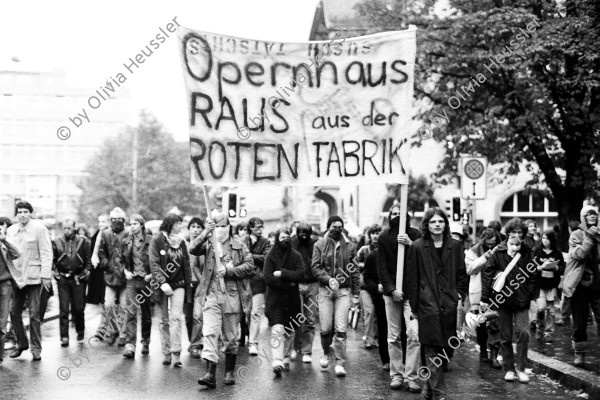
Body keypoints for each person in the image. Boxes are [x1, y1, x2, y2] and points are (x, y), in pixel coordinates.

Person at [406, 207, 468, 399]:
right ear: (426, 225)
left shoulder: (455, 245)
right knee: (432, 346)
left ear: (445, 224)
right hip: (427, 304)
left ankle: (428, 385)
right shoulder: (417, 247)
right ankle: (440, 393)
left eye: (440, 221)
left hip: (449, 304)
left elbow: (461, 273)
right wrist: (414, 309)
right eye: (433, 222)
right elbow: (412, 280)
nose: (437, 225)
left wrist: (458, 295)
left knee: (447, 348)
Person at [192, 211, 255, 388]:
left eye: (222, 226)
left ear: (229, 227)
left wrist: (229, 271)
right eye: (216, 226)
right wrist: (206, 231)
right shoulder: (208, 244)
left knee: (231, 337)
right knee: (210, 332)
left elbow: (250, 267)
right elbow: (192, 248)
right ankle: (210, 373)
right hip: (211, 294)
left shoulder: (239, 246)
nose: (219, 230)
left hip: (232, 295)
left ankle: (229, 371)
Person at [377, 204, 422, 392]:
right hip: (392, 294)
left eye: (400, 213)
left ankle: (411, 376)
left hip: (412, 293)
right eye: (394, 213)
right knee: (393, 336)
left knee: (414, 334)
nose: (397, 216)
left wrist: (411, 244)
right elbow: (382, 267)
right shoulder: (384, 237)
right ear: (389, 216)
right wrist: (391, 289)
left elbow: (423, 259)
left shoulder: (417, 235)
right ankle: (396, 374)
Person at [481, 230, 536, 384]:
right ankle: (509, 369)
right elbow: (487, 273)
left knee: (523, 333)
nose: (515, 246)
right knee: (505, 336)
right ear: (507, 238)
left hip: (522, 301)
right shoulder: (498, 253)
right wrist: (485, 298)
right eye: (512, 242)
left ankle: (522, 367)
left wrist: (529, 294)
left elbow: (532, 276)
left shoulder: (527, 254)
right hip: (503, 301)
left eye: (518, 242)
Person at [311, 215, 360, 378]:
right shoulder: (320, 244)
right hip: (325, 290)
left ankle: (340, 362)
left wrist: (356, 294)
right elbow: (315, 268)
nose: (337, 229)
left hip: (343, 292)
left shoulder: (350, 246)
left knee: (341, 328)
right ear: (328, 227)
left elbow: (354, 271)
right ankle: (325, 352)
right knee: (325, 328)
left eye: (340, 226)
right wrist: (328, 279)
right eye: (334, 226)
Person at [7, 201, 52, 361]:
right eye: (20, 212)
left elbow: (47, 252)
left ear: (30, 213)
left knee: (34, 314)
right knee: (13, 312)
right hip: (17, 277)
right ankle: (22, 343)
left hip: (34, 277)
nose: (23, 215)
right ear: (17, 214)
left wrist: (46, 275)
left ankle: (36, 349)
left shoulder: (39, 229)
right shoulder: (11, 231)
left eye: (26, 211)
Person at [149, 213, 192, 367]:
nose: (181, 226)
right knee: (163, 321)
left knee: (176, 318)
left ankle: (176, 353)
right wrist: (162, 283)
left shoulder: (182, 242)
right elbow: (154, 264)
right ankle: (166, 352)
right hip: (161, 286)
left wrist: (188, 283)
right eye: (178, 223)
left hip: (179, 283)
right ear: (171, 224)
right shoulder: (157, 240)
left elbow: (186, 264)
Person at [264, 228, 305, 377]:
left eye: (287, 237)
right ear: (277, 238)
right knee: (277, 329)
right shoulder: (270, 256)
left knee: (290, 330)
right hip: (275, 300)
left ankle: (286, 357)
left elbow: (301, 274)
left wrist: (282, 273)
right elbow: (268, 277)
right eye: (282, 237)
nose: (285, 240)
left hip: (292, 299)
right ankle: (277, 361)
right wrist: (289, 283)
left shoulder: (296, 256)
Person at [562, 205, 600, 367]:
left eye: (594, 214)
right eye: (588, 214)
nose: (592, 216)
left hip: (598, 282)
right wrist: (589, 238)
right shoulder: (576, 235)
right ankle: (579, 353)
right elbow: (579, 254)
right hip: (580, 284)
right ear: (583, 217)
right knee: (580, 322)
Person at [465, 227, 502, 368]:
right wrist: (485, 257)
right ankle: (482, 351)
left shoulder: (501, 249)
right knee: (480, 323)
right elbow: (469, 269)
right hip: (479, 290)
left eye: (493, 243)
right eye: (488, 244)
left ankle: (494, 354)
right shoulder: (474, 250)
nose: (491, 246)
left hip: (496, 290)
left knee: (494, 322)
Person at [52, 219, 91, 347]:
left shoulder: (83, 241)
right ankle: (64, 336)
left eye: (69, 228)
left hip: (77, 278)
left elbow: (87, 260)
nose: (67, 231)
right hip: (63, 278)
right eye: (65, 228)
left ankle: (80, 331)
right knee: (63, 309)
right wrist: (56, 273)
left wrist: (85, 273)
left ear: (74, 228)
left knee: (79, 308)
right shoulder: (57, 241)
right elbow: (52, 259)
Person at [95, 207, 130, 345]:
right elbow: (101, 251)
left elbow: (130, 253)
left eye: (119, 219)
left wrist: (125, 268)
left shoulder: (128, 233)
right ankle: (111, 330)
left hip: (124, 277)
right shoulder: (105, 233)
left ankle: (123, 333)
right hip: (110, 276)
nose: (116, 222)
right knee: (108, 305)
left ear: (123, 220)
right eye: (113, 219)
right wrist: (106, 264)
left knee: (124, 306)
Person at [122, 214, 154, 359]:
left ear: (141, 225)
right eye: (130, 224)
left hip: (147, 281)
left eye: (135, 223)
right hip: (133, 281)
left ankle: (145, 341)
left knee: (146, 314)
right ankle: (130, 345)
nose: (132, 226)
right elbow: (121, 260)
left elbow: (158, 260)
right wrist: (126, 271)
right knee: (131, 312)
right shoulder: (126, 241)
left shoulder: (151, 241)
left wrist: (152, 274)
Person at [290, 223, 318, 364]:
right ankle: (296, 347)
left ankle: (307, 350)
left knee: (310, 319)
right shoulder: (292, 243)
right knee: (297, 317)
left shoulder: (315, 244)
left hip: (313, 283)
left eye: (306, 233)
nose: (303, 236)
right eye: (301, 233)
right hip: (297, 283)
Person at [244, 217, 272, 356]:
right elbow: (238, 257)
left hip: (258, 281)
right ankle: (245, 336)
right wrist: (256, 256)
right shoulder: (242, 240)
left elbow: (266, 258)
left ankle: (253, 342)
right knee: (245, 311)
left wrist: (249, 256)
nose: (260, 230)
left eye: (261, 227)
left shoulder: (266, 242)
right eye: (257, 227)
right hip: (243, 280)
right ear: (251, 228)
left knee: (255, 312)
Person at [533, 230, 565, 343]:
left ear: (552, 240)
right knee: (541, 309)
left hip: (552, 285)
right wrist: (539, 268)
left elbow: (562, 267)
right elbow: (530, 266)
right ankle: (539, 328)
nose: (545, 240)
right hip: (540, 284)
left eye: (547, 238)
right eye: (543, 238)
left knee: (551, 310)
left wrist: (556, 268)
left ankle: (549, 333)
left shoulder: (557, 253)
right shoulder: (537, 251)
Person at [363, 247, 390, 371]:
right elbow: (367, 277)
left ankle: (403, 361)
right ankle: (386, 360)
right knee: (383, 326)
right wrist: (376, 287)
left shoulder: (399, 253)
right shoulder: (373, 256)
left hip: (398, 294)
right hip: (379, 297)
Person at [356, 224, 381, 350]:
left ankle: (376, 337)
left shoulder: (384, 249)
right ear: (369, 235)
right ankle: (369, 338)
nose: (376, 236)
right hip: (365, 286)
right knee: (369, 311)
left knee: (378, 313)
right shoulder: (364, 250)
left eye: (378, 233)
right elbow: (355, 265)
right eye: (373, 233)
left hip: (380, 286)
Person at [0, 217, 21, 365]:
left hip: (4, 285)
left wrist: (4, 240)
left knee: (1, 323)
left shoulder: (4, 243)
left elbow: (17, 253)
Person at [185, 217, 205, 358]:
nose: (196, 230)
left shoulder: (205, 245)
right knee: (188, 317)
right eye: (193, 227)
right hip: (186, 285)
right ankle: (193, 341)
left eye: (199, 227)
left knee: (198, 316)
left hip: (200, 283)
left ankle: (195, 344)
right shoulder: (183, 244)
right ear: (189, 229)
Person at [88, 214, 109, 305]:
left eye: (103, 221)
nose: (100, 224)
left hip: (107, 267)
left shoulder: (110, 234)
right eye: (99, 221)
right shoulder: (97, 234)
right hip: (97, 267)